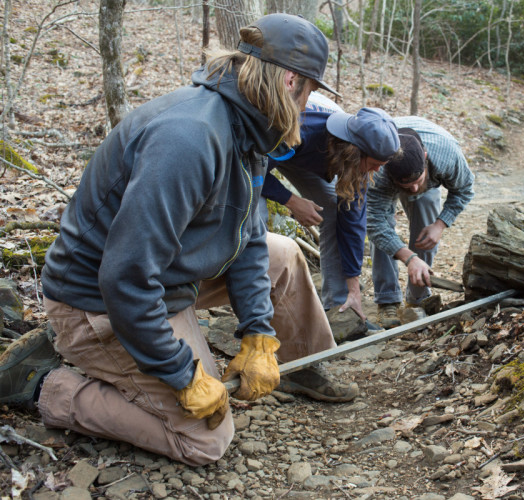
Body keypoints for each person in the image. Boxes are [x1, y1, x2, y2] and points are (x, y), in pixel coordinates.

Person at [0, 14, 358, 467]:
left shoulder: (251, 130)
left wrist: (258, 336)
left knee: (281, 253)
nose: (308, 105)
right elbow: (125, 278)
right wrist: (181, 373)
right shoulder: (189, 137)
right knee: (205, 440)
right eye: (310, 91)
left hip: (167, 276)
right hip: (96, 300)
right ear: (291, 80)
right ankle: (42, 383)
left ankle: (294, 369)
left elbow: (248, 240)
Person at [262, 103, 399, 321]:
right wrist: (292, 201)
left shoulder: (361, 157)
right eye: (374, 164)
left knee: (334, 212)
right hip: (272, 147)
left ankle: (339, 307)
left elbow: (352, 221)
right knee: (256, 215)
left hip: (310, 157)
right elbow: (248, 171)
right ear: (353, 152)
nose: (378, 171)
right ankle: (259, 309)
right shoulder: (297, 130)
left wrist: (354, 288)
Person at [367, 117, 475, 328]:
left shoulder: (447, 156)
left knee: (426, 223)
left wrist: (441, 224)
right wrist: (408, 258)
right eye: (406, 185)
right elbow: (374, 222)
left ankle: (417, 299)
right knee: (383, 234)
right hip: (386, 174)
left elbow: (464, 189)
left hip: (433, 156)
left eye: (417, 182)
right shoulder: (377, 171)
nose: (413, 190)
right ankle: (387, 299)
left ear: (425, 159)